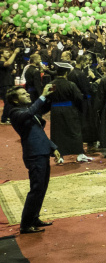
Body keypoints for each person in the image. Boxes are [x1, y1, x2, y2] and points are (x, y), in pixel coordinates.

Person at [7, 84, 60, 234]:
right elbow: (31, 112)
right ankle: (25, 225)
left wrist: (53, 147)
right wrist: (42, 96)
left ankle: (34, 218)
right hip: (34, 154)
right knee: (36, 189)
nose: (28, 94)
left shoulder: (26, 111)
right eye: (23, 94)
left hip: (42, 151)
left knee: (41, 188)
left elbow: (39, 131)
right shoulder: (15, 113)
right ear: (15, 100)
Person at [48, 62, 91, 163]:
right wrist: (80, 109)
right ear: (66, 73)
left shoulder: (52, 84)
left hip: (55, 111)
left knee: (58, 133)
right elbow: (79, 98)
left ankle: (59, 156)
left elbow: (48, 97)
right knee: (75, 132)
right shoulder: (70, 84)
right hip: (69, 110)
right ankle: (80, 154)